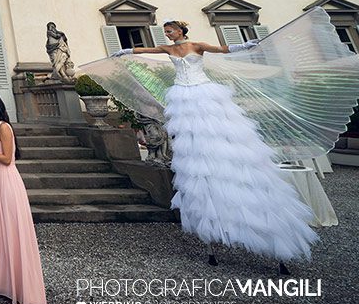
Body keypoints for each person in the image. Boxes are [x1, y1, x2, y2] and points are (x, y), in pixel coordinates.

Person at [106, 19, 316, 273]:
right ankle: (210, 200)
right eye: (166, 31)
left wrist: (245, 45)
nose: (168, 34)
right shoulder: (168, 49)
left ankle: (226, 155)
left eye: (170, 30)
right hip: (183, 96)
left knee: (218, 129)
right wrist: (125, 51)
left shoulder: (197, 45)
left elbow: (223, 49)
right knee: (192, 139)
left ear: (181, 31)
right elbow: (145, 51)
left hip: (203, 93)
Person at [0, 92, 47, 304]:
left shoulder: (5, 127)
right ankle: (1, 283)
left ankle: (21, 290)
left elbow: (8, 159)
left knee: (11, 231)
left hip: (7, 182)